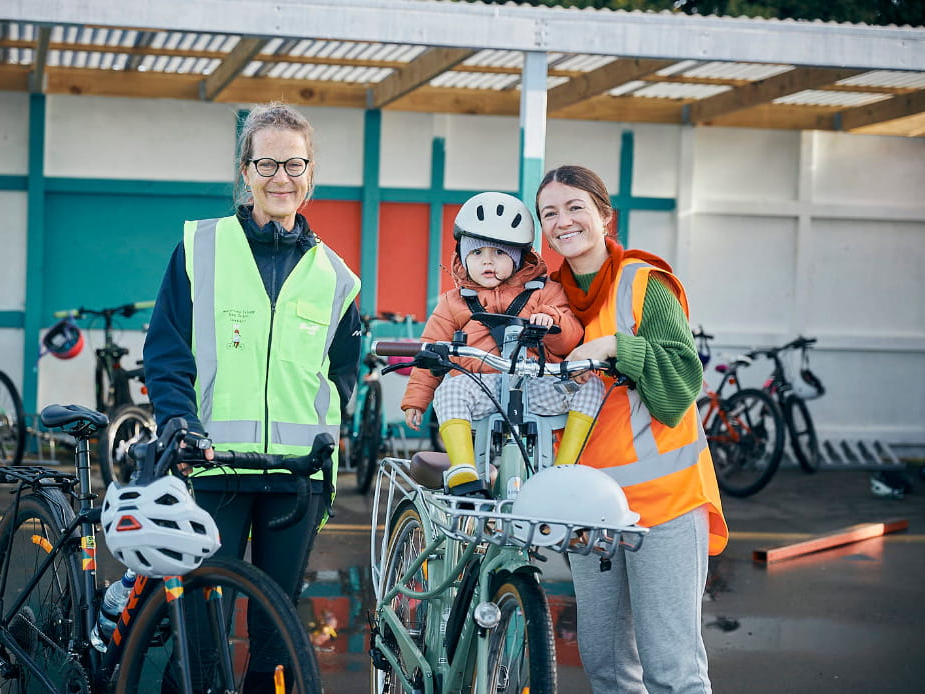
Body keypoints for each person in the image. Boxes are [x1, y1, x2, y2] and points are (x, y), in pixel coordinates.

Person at [143, 101, 361, 691]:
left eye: (294, 164)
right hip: (211, 465)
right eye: (267, 163)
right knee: (199, 623)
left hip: (296, 477)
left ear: (310, 173)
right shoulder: (200, 249)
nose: (281, 178)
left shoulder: (337, 277)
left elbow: (341, 375)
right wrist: (178, 423)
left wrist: (322, 444)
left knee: (276, 627)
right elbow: (166, 354)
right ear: (246, 170)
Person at [536, 164, 728, 693]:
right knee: (606, 667)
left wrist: (617, 345)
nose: (562, 221)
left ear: (604, 215)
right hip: (588, 509)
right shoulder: (545, 299)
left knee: (673, 670)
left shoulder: (643, 283)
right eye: (549, 213)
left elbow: (683, 380)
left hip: (663, 503)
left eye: (575, 207)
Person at [401, 191, 604, 496]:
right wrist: (416, 399)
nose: (487, 262)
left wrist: (552, 321)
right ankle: (463, 469)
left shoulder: (546, 293)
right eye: (477, 253)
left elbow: (571, 338)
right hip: (480, 388)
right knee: (450, 388)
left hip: (534, 387)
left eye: (499, 253)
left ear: (520, 256)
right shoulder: (452, 302)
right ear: (462, 256)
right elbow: (430, 348)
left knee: (591, 386)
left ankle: (565, 471)